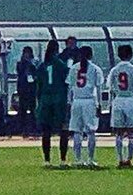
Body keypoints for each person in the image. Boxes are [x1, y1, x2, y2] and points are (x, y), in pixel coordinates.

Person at [67, 45, 105, 168]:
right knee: (91, 132)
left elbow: (70, 87)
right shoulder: (94, 69)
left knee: (77, 132)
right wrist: (99, 104)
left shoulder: (74, 68)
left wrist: (69, 102)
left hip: (77, 101)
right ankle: (90, 158)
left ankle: (78, 159)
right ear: (91, 55)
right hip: (89, 101)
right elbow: (98, 88)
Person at [34, 39, 70, 168]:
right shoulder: (61, 64)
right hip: (58, 99)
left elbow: (38, 85)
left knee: (46, 131)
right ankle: (63, 159)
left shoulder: (43, 65)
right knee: (63, 130)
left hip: (45, 99)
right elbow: (67, 82)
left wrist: (38, 102)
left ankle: (47, 160)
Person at [106, 44, 133, 167]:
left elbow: (110, 88)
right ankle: (129, 159)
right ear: (130, 55)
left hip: (118, 99)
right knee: (132, 132)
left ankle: (120, 159)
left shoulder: (114, 70)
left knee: (119, 133)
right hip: (130, 99)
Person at [16, 45, 38, 137]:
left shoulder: (34, 63)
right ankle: (23, 129)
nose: (27, 55)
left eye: (28, 53)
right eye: (25, 53)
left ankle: (33, 129)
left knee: (32, 110)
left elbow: (36, 74)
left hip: (31, 90)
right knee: (23, 110)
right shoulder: (20, 63)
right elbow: (20, 72)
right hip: (23, 90)